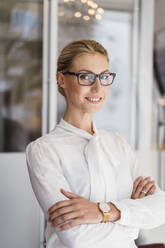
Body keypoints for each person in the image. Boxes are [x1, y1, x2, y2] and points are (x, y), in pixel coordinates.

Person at [26, 39, 165, 248]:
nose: (98, 87)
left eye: (105, 76)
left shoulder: (118, 143)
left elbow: (161, 208)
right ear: (61, 79)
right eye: (86, 76)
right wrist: (132, 218)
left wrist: (104, 211)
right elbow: (77, 238)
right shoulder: (43, 150)